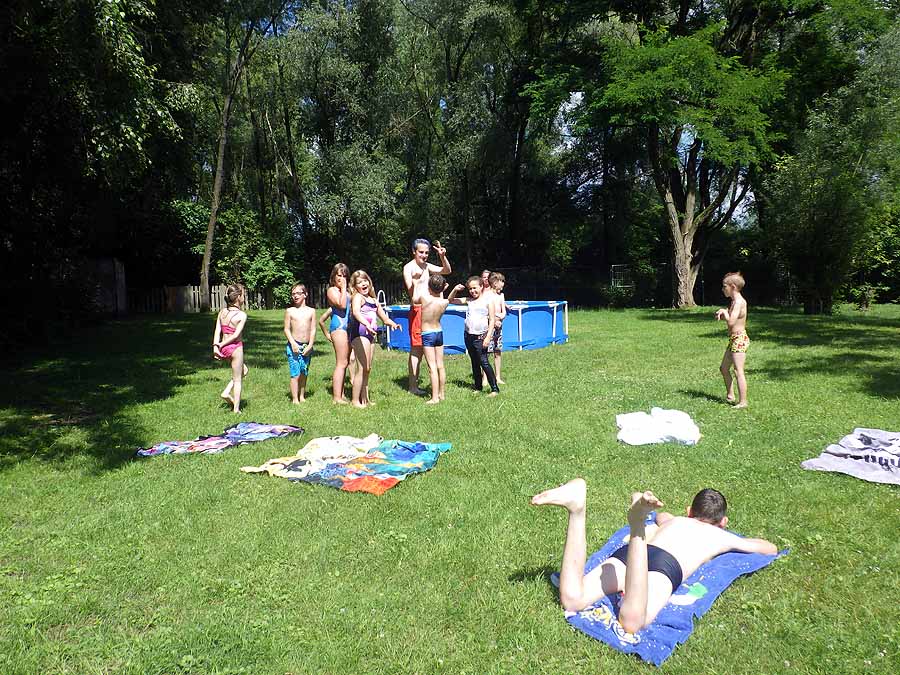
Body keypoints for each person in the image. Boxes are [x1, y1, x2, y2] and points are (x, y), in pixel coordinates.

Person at [531, 479, 777, 634]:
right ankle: (637, 524)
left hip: (634, 554)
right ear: (723, 522)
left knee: (573, 599)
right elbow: (768, 548)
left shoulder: (675, 520)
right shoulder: (720, 535)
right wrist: (735, 538)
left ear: (689, 512)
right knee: (631, 622)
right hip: (665, 565)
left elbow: (661, 516)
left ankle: (577, 509)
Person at [403, 239, 451, 395]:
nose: (424, 255)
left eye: (426, 253)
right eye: (421, 252)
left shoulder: (427, 266)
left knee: (428, 349)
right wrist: (416, 282)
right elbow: (411, 292)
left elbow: (446, 270)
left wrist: (442, 256)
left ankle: (418, 386)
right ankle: (413, 386)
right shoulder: (408, 268)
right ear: (414, 252)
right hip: (418, 310)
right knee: (417, 349)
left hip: (429, 309)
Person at [348, 270, 402, 408]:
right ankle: (355, 401)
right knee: (362, 368)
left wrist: (393, 324)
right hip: (360, 334)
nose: (363, 284)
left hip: (371, 335)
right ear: (355, 286)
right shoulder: (358, 297)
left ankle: (365, 399)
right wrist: (366, 324)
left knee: (367, 368)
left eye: (365, 280)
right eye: (359, 282)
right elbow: (356, 312)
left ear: (369, 282)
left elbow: (384, 318)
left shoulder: (374, 300)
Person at [449, 276, 499, 396]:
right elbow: (450, 300)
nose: (472, 291)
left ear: (481, 287)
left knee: (484, 362)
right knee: (474, 362)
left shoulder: (488, 301)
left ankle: (494, 389)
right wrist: (455, 289)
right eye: (470, 289)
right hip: (468, 336)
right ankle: (478, 387)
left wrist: (488, 337)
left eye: (475, 288)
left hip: (481, 337)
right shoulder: (469, 300)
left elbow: (492, 320)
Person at [412, 273, 451, 404]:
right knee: (440, 365)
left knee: (432, 367)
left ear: (429, 287)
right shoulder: (444, 302)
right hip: (439, 332)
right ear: (442, 288)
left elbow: (414, 300)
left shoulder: (424, 298)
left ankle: (434, 398)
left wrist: (416, 284)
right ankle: (442, 394)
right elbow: (441, 297)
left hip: (427, 334)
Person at [212, 284, 248, 413]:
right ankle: (236, 409)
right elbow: (236, 335)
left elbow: (217, 331)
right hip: (235, 347)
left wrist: (216, 346)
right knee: (238, 380)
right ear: (238, 297)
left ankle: (227, 391)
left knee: (244, 370)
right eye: (243, 295)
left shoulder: (222, 312)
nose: (244, 297)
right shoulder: (242, 315)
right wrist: (220, 345)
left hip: (224, 349)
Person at [716, 272, 749, 408]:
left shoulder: (739, 302)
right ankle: (730, 396)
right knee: (724, 368)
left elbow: (731, 322)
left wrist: (725, 313)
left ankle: (743, 402)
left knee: (738, 371)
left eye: (725, 286)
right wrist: (723, 312)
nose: (723, 289)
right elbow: (732, 318)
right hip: (733, 339)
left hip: (739, 339)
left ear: (733, 287)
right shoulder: (734, 302)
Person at [322, 263, 352, 404]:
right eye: (339, 275)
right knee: (341, 362)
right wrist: (344, 288)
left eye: (344, 276)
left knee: (346, 362)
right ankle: (336, 397)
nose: (341, 278)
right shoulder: (332, 290)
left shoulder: (348, 291)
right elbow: (342, 305)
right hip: (338, 327)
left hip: (349, 327)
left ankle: (341, 393)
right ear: (333, 276)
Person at [283, 283, 316, 403]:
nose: (295, 296)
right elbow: (286, 329)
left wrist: (310, 345)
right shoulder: (290, 311)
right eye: (293, 294)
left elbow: (313, 329)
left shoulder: (311, 311)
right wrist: (293, 343)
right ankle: (295, 399)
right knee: (295, 373)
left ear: (305, 294)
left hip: (307, 346)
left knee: (304, 372)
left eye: (298, 293)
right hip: (294, 346)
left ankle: (302, 396)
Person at [485, 272, 507, 385]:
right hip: (489, 327)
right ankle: (485, 378)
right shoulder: (487, 295)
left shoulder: (501, 296)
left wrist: (500, 318)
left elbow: (504, 312)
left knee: (497, 351)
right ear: (494, 283)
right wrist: (494, 320)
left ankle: (498, 377)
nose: (503, 284)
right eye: (501, 281)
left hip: (499, 327)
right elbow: (486, 312)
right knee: (486, 353)